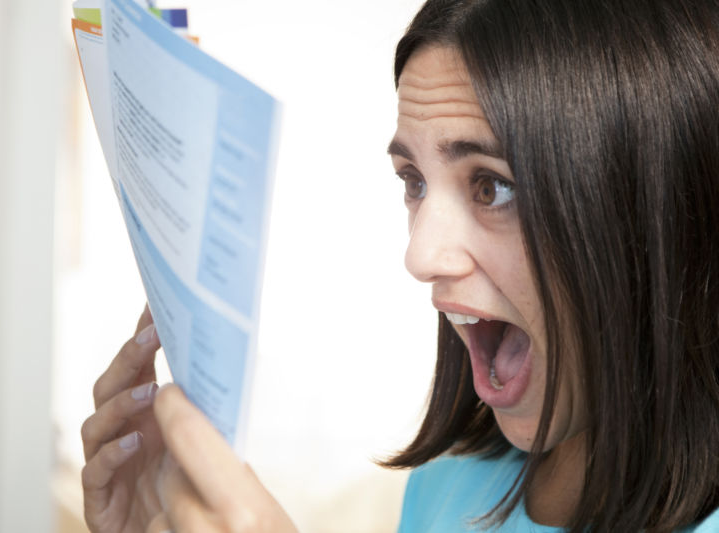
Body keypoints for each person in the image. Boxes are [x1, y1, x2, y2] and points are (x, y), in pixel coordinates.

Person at [79, 0, 719, 531]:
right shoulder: (444, 493)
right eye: (414, 179)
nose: (420, 256)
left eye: (492, 187)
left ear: (650, 211)